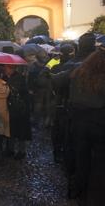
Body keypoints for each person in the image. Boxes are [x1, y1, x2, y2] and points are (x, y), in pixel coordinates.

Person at [52, 46, 105, 205]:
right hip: (100, 125)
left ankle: (80, 190)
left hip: (78, 124)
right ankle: (95, 196)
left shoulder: (77, 73)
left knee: (81, 158)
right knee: (99, 163)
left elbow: (55, 80)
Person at [1, 64, 31, 159]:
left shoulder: (19, 78)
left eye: (6, 68)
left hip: (20, 108)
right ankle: (10, 149)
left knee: (21, 130)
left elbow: (20, 91)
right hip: (10, 107)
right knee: (10, 129)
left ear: (11, 68)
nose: (4, 69)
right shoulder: (4, 77)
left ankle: (21, 151)